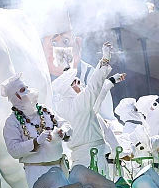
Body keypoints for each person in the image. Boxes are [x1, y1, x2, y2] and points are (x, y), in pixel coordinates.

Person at [50, 42, 125, 174]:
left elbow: (97, 94)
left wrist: (112, 81)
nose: (80, 84)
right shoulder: (80, 102)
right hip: (94, 155)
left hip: (78, 158)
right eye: (76, 82)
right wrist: (105, 58)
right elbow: (94, 86)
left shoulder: (61, 106)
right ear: (68, 88)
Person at [1, 73, 71, 188]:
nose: (28, 92)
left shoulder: (44, 110)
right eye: (23, 90)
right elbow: (13, 150)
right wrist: (36, 142)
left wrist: (62, 132)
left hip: (59, 168)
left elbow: (66, 124)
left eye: (27, 87)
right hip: (37, 173)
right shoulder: (12, 122)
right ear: (16, 96)